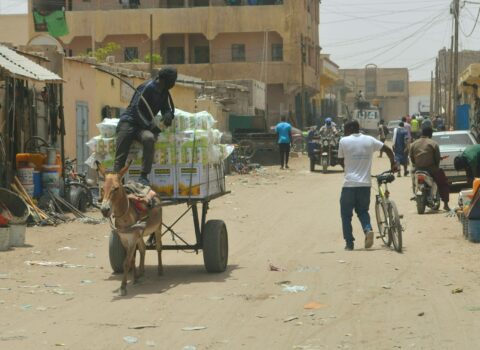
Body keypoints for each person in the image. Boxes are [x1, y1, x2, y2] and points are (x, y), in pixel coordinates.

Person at [338, 120, 396, 251]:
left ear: (350, 129)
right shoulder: (370, 140)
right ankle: (368, 229)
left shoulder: (343, 141)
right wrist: (393, 164)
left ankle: (349, 243)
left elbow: (341, 160)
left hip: (349, 184)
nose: (344, 133)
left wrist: (348, 169)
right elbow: (387, 150)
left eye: (345, 130)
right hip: (365, 185)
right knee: (363, 211)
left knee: (346, 214)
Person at [114, 67, 178, 185]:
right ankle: (117, 179)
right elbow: (136, 109)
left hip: (142, 128)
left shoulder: (164, 93)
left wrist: (168, 115)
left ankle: (143, 176)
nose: (173, 84)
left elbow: (166, 109)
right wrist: (148, 125)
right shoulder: (147, 87)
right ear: (164, 80)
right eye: (172, 81)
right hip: (129, 122)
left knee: (149, 138)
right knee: (121, 152)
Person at [410, 127, 450, 211]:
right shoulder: (433, 143)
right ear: (430, 134)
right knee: (444, 183)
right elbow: (437, 159)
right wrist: (435, 167)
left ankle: (414, 193)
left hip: (418, 169)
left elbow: (412, 159)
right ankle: (446, 204)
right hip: (431, 170)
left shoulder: (413, 144)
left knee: (413, 179)